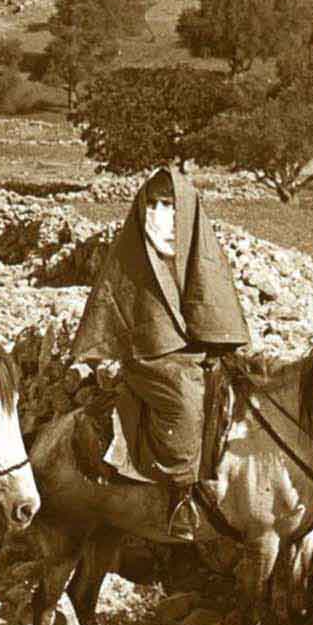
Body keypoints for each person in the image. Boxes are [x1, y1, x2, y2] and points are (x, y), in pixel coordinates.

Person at [70, 166, 249, 541]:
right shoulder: (130, 252)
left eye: (168, 205)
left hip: (198, 349)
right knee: (183, 401)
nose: (159, 214)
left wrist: (216, 342)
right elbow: (111, 305)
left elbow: (211, 298)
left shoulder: (200, 248)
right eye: (152, 204)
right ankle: (181, 495)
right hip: (150, 356)